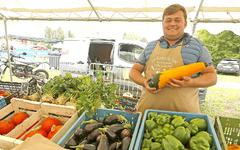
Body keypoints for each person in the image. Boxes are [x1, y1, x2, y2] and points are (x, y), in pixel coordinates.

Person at [129, 4, 217, 113]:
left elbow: (211, 76)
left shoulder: (197, 46)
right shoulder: (151, 46)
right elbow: (134, 71)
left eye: (177, 20)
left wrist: (190, 83)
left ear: (185, 23)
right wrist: (144, 82)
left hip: (182, 120)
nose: (172, 23)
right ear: (163, 23)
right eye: (168, 20)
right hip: (147, 113)